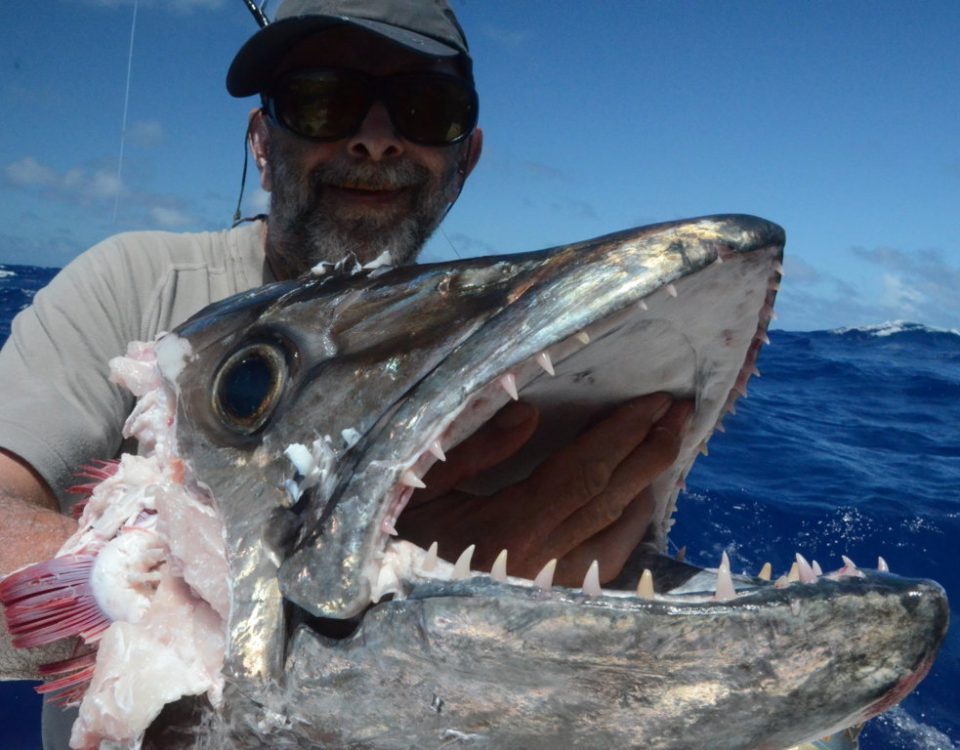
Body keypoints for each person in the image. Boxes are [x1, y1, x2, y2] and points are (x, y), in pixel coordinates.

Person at [0, 0, 692, 746]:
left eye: (426, 108)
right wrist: (186, 590)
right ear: (262, 143)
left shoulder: (538, 370)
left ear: (468, 156)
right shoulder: (132, 284)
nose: (375, 139)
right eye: (322, 102)